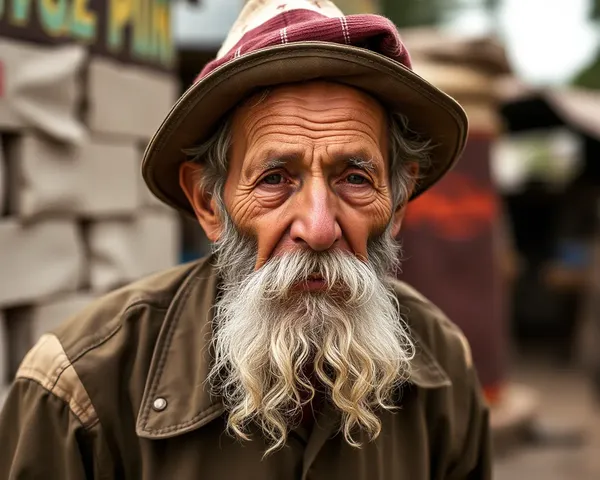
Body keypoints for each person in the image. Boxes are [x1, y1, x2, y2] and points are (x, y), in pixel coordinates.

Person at [0, 1, 491, 478]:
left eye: (355, 179)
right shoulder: (79, 391)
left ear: (398, 203)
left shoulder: (443, 364)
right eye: (275, 178)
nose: (318, 229)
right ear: (210, 204)